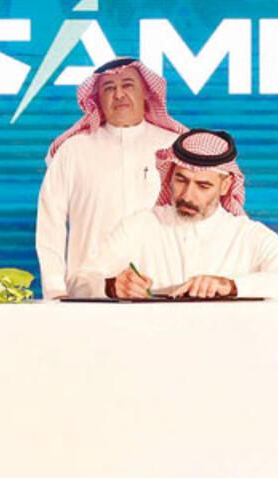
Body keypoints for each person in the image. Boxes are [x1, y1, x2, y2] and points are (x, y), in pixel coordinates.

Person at [71, 129, 278, 300]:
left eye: (203, 185)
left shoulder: (248, 236)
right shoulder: (140, 226)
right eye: (181, 180)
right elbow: (78, 283)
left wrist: (231, 286)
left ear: (225, 185)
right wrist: (112, 286)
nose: (188, 195)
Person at [36, 57, 186, 299]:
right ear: (97, 98)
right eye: (108, 88)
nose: (119, 94)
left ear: (146, 92)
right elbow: (50, 224)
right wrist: (55, 290)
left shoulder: (176, 147)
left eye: (128, 85)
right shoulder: (73, 150)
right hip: (91, 293)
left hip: (165, 291)